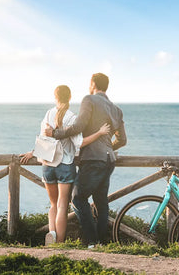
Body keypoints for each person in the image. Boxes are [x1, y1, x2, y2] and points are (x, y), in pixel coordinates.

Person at [20, 85, 110, 245]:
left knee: (53, 205)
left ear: (55, 97)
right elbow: (80, 143)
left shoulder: (48, 114)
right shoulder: (72, 117)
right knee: (62, 204)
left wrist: (32, 152)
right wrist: (99, 133)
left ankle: (51, 234)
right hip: (65, 165)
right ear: (69, 98)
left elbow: (44, 139)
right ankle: (59, 243)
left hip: (48, 165)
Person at [45, 73, 127, 246]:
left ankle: (92, 242)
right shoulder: (116, 109)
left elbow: (78, 127)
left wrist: (55, 133)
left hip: (92, 160)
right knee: (101, 202)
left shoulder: (89, 100)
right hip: (109, 160)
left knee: (78, 198)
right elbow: (122, 140)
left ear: (93, 84)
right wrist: (107, 149)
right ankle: (100, 243)